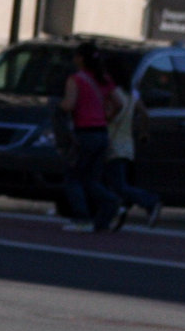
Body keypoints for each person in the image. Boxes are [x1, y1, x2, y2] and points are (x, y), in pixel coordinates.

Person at [56, 40, 119, 232]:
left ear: (81, 58)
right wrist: (106, 117)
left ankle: (82, 218)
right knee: (91, 179)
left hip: (84, 133)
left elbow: (69, 104)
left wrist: (56, 106)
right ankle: (111, 202)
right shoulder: (104, 79)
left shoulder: (76, 79)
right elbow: (119, 103)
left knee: (73, 178)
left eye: (76, 55)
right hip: (101, 132)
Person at [101, 53, 159, 229]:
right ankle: (115, 210)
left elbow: (108, 115)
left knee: (117, 184)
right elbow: (144, 114)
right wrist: (143, 133)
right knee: (113, 182)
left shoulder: (112, 93)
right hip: (127, 144)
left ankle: (149, 200)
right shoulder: (132, 93)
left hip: (112, 143)